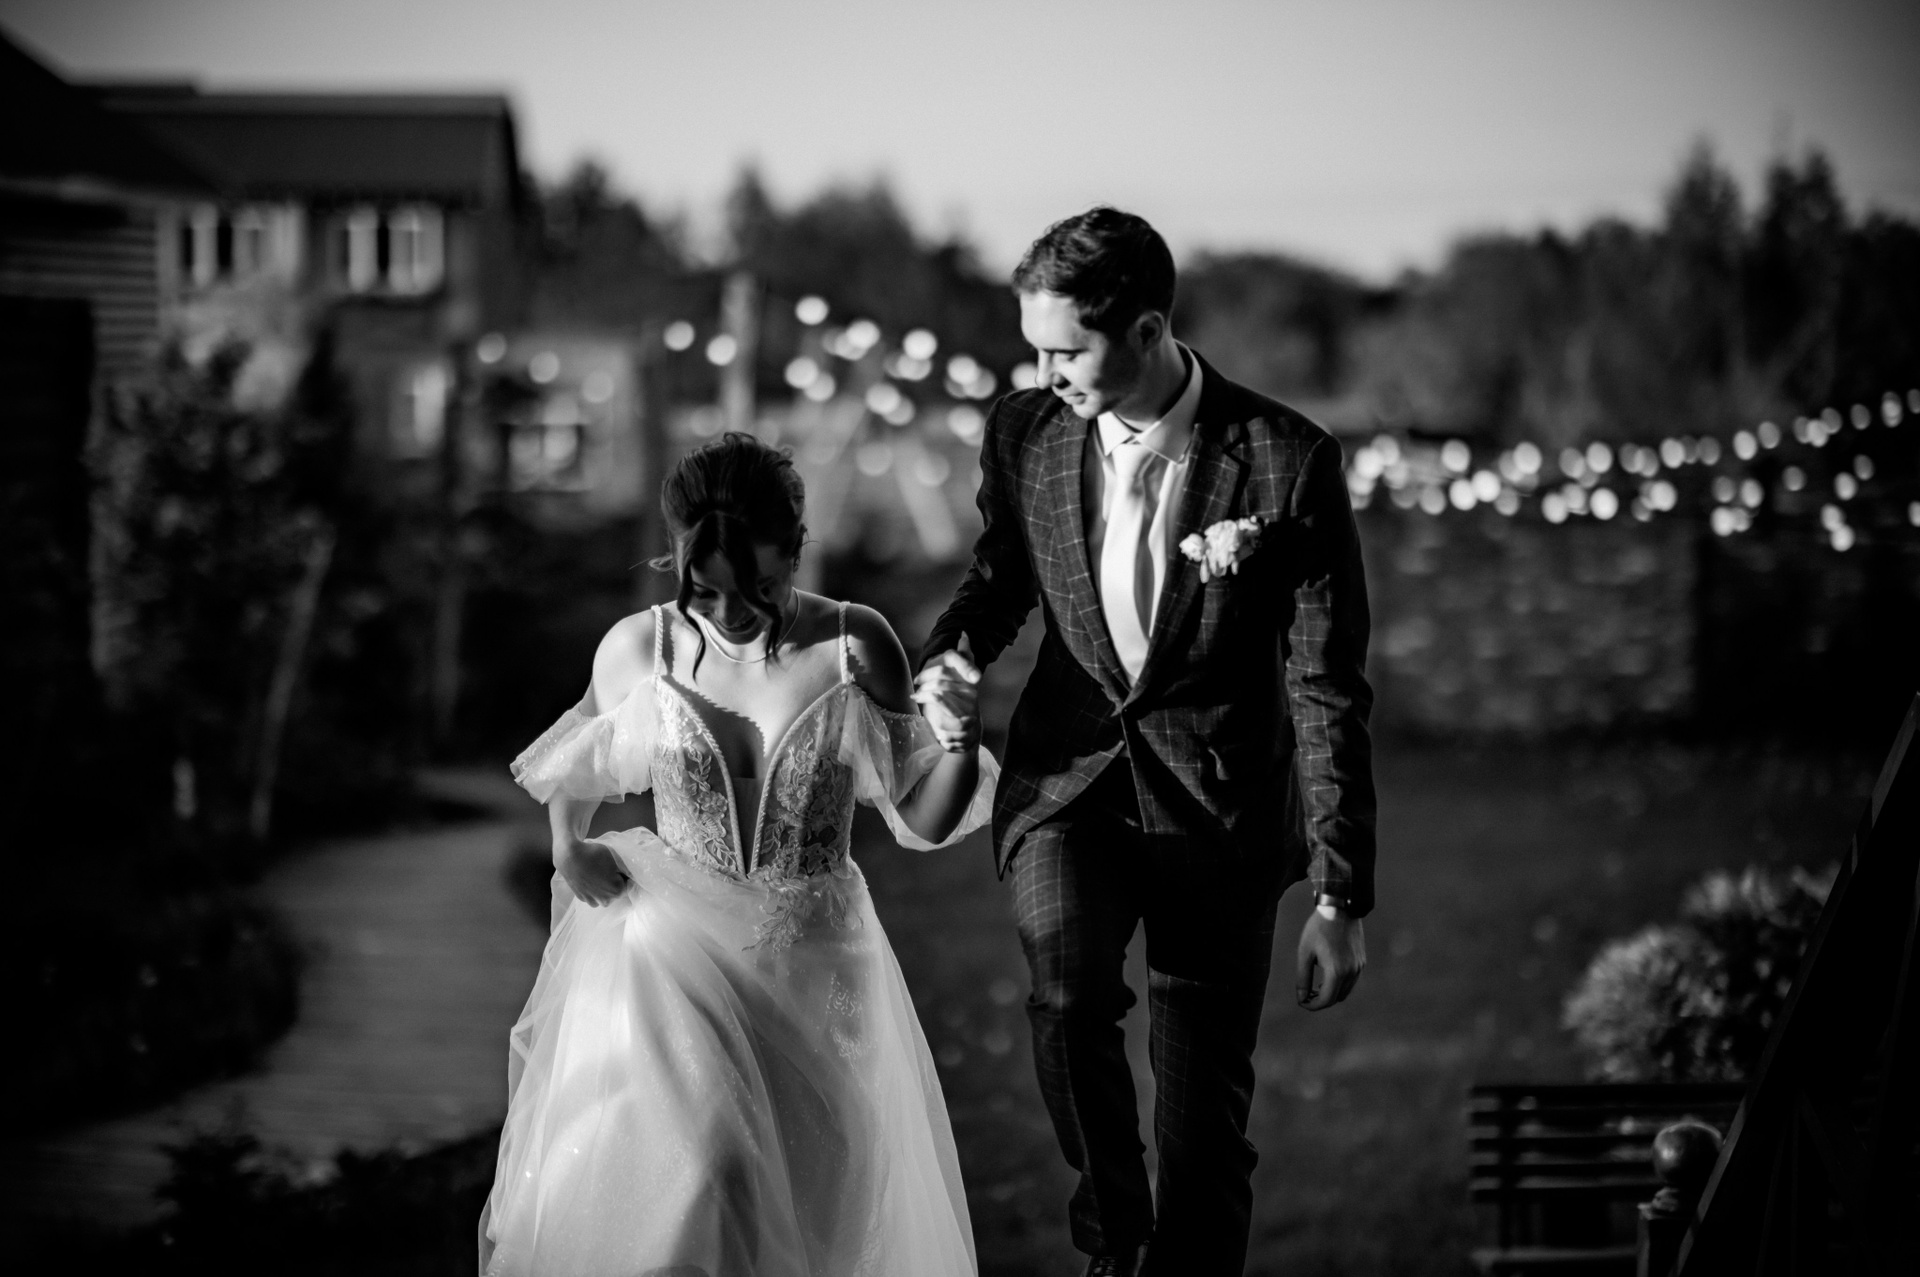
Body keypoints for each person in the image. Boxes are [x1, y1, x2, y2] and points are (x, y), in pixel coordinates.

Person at [915, 207, 1377, 1277]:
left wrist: (1341, 894)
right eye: (1033, 348)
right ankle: (1114, 1242)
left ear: (1149, 330)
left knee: (1202, 1130)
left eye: (1065, 351)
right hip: (1067, 780)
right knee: (1065, 992)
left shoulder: (1287, 459)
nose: (1043, 373)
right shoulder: (1026, 431)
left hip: (1220, 811)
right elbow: (1000, 576)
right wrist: (954, 655)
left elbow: (1325, 686)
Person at [480, 433, 996, 1277]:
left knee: (825, 1198)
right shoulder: (640, 648)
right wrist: (567, 845)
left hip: (817, 959)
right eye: (705, 589)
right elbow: (580, 758)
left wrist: (964, 740)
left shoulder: (853, 645)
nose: (730, 612)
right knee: (711, 1176)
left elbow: (924, 816)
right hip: (675, 957)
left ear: (795, 549)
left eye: (757, 586)